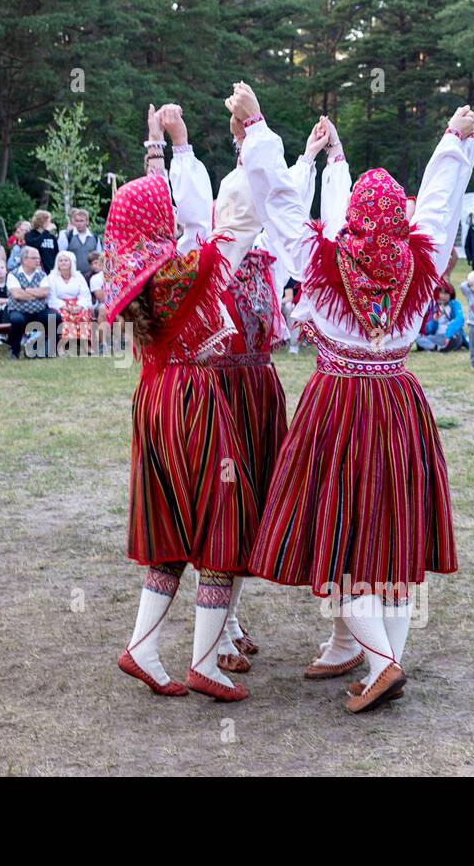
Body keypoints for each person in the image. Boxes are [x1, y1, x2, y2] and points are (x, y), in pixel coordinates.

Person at [240, 85, 474, 713]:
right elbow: (438, 206)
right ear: (397, 218)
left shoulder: (321, 262)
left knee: (341, 538)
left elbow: (281, 204)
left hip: (338, 407)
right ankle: (379, 664)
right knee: (392, 540)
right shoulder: (420, 262)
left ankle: (385, 663)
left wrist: (259, 129)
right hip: (399, 405)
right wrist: (455, 141)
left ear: (351, 223)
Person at [106, 101, 267, 705]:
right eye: (168, 209)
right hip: (193, 402)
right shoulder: (181, 274)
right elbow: (238, 224)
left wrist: (158, 146)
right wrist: (249, 136)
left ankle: (143, 647)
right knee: (220, 521)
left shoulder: (133, 270)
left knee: (172, 526)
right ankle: (205, 661)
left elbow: (150, 209)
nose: (176, 213)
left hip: (154, 398)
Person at [172, 101, 295, 670]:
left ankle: (230, 621)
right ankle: (215, 638)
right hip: (226, 388)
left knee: (251, 511)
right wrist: (177, 146)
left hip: (258, 386)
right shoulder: (217, 253)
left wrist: (315, 156)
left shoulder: (268, 254)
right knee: (225, 510)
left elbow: (288, 201)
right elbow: (200, 211)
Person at [6, 246, 54, 359]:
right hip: (19, 310)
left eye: (38, 258)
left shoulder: (42, 274)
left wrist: (27, 290)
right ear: (24, 259)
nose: (38, 261)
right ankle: (15, 350)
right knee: (16, 320)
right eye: (34, 258)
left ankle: (49, 349)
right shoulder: (13, 274)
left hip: (39, 311)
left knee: (54, 317)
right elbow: (17, 295)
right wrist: (36, 295)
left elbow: (45, 292)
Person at [47, 250, 93, 353]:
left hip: (77, 303)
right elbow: (51, 297)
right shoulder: (52, 277)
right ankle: (62, 345)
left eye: (66, 260)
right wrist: (65, 306)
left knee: (83, 314)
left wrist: (80, 306)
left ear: (71, 262)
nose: (63, 262)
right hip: (59, 304)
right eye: (61, 260)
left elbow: (85, 294)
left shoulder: (78, 276)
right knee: (65, 315)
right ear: (57, 263)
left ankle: (86, 344)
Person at [414, 285, 465, 352]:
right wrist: (434, 321)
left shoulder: (455, 304)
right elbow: (428, 330)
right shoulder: (432, 306)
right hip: (437, 336)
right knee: (417, 336)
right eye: (441, 293)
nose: (443, 296)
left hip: (450, 335)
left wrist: (448, 335)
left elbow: (460, 319)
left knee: (457, 337)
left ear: (451, 294)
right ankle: (436, 347)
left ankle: (433, 347)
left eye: (446, 293)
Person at [59, 208, 99, 281]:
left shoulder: (94, 237)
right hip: (72, 276)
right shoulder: (67, 236)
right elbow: (60, 255)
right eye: (77, 221)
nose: (79, 223)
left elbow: (99, 258)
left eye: (81, 221)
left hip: (91, 276)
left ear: (87, 221)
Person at [25, 209, 59, 273]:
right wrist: (46, 231)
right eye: (48, 221)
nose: (50, 223)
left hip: (51, 270)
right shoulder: (30, 235)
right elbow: (34, 244)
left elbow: (56, 254)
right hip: (36, 269)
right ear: (41, 222)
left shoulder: (51, 237)